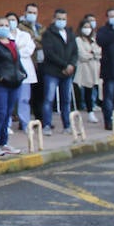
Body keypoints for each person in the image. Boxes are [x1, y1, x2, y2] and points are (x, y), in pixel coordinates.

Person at [0, 16, 27, 157]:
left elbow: (17, 62)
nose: (4, 27)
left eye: (6, 25)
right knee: (0, 112)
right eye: (1, 25)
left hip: (14, 82)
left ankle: (4, 142)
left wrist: (23, 74)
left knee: (8, 113)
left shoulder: (12, 43)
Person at [39, 8, 78, 136]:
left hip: (67, 73)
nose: (62, 21)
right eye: (59, 19)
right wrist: (64, 65)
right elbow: (49, 53)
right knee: (49, 99)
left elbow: (74, 51)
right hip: (52, 71)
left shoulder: (70, 33)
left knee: (66, 100)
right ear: (54, 19)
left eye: (64, 19)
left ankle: (67, 125)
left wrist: (71, 64)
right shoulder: (48, 34)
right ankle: (47, 125)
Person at [8, 11, 37, 135]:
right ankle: (7, 124)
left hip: (25, 71)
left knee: (24, 99)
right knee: (9, 100)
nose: (11, 23)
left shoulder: (25, 35)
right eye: (9, 20)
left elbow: (29, 49)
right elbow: (7, 52)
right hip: (10, 71)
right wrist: (17, 49)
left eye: (13, 20)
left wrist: (16, 50)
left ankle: (25, 123)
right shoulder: (3, 35)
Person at [75, 19, 102, 123]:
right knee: (88, 90)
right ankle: (90, 112)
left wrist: (92, 53)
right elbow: (82, 55)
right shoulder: (78, 40)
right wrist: (93, 54)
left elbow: (99, 52)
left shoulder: (94, 39)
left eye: (89, 27)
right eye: (85, 27)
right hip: (85, 68)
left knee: (98, 88)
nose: (87, 29)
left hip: (96, 67)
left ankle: (98, 106)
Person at [99, 9, 114, 130]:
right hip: (110, 71)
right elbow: (100, 41)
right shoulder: (104, 31)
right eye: (111, 16)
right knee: (109, 97)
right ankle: (109, 122)